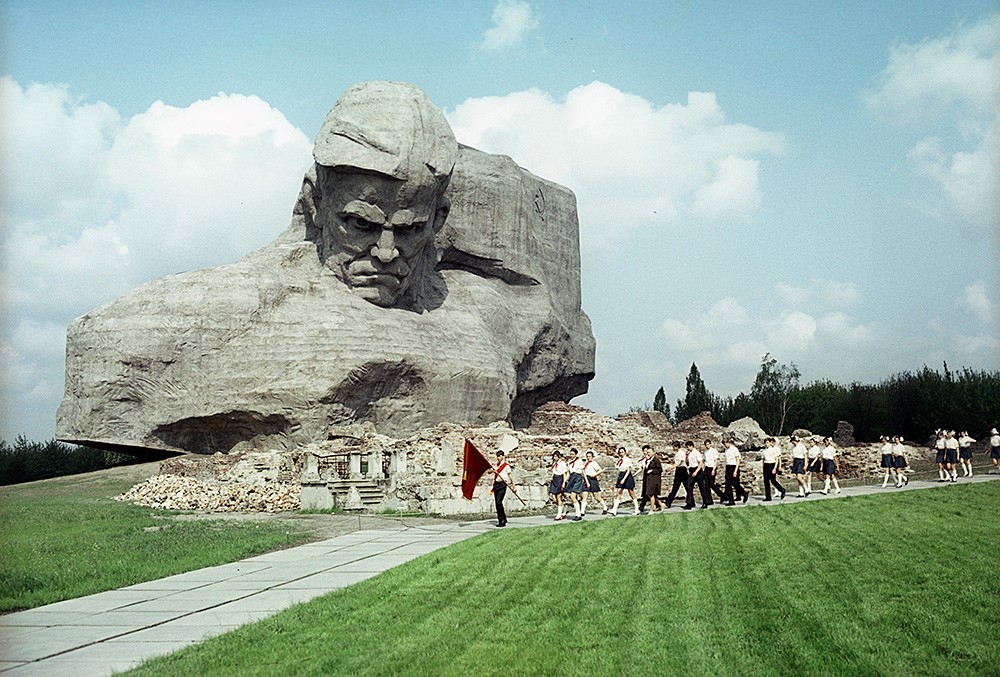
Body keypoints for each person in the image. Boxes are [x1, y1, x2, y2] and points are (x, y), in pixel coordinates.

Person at [610, 446, 640, 516]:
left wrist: (624, 479)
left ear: (625, 452)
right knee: (619, 492)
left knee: (631, 493)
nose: (621, 453)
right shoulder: (619, 460)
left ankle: (637, 509)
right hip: (621, 475)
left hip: (627, 476)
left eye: (622, 452)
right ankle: (614, 509)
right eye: (620, 452)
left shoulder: (627, 460)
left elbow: (628, 470)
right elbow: (618, 469)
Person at [582, 450, 610, 515]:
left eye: (590, 456)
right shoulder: (585, 463)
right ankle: (582, 511)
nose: (588, 458)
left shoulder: (594, 463)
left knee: (596, 495)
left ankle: (605, 507)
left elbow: (600, 470)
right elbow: (583, 472)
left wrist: (594, 475)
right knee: (584, 495)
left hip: (593, 479)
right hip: (587, 479)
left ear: (592, 457)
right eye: (587, 456)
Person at [722, 437, 748, 505]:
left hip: (734, 467)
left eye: (725, 444)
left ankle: (744, 493)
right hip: (728, 466)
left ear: (728, 442)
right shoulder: (726, 450)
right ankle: (731, 501)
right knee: (728, 485)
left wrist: (735, 470)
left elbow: (738, 460)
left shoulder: (734, 449)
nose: (725, 446)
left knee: (735, 484)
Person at [492, 450, 515, 527]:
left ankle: (502, 519)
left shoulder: (506, 466)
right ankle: (501, 519)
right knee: (496, 503)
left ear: (502, 456)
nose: (498, 458)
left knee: (499, 501)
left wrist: (513, 486)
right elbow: (489, 471)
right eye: (497, 456)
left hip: (503, 484)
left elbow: (510, 476)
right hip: (496, 484)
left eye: (499, 456)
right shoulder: (496, 465)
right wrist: (492, 470)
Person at [664, 441, 689, 509]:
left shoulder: (681, 453)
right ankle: (668, 502)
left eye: (674, 447)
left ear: (677, 447)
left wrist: (671, 468)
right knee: (675, 487)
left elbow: (680, 463)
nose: (673, 448)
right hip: (678, 470)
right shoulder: (677, 454)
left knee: (687, 487)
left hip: (682, 470)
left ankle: (691, 502)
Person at [761, 437, 786, 501]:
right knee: (766, 482)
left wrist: (775, 468)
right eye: (765, 443)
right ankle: (768, 496)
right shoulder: (764, 451)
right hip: (766, 465)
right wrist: (763, 467)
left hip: (772, 465)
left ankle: (782, 490)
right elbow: (763, 460)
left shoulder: (773, 450)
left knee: (773, 480)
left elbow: (776, 460)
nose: (766, 444)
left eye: (767, 442)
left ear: (770, 443)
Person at [565, 448, 587, 521]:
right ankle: (578, 510)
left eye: (573, 454)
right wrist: (564, 481)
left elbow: (583, 471)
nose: (571, 455)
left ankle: (578, 514)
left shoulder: (579, 461)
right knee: (571, 496)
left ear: (576, 454)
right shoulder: (569, 462)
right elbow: (568, 473)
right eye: (570, 454)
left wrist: (587, 481)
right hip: (571, 478)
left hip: (578, 477)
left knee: (573, 496)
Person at [684, 441, 706, 510]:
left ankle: (705, 502)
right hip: (691, 470)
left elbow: (701, 463)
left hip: (697, 470)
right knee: (689, 486)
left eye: (688, 447)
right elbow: (687, 463)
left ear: (691, 446)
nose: (687, 449)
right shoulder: (690, 454)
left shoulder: (697, 453)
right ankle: (689, 503)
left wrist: (696, 472)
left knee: (701, 487)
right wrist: (686, 456)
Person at [549, 451, 569, 520]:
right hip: (554, 479)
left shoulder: (562, 463)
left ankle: (559, 515)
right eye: (554, 456)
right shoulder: (554, 463)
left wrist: (564, 482)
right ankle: (564, 508)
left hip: (560, 479)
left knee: (559, 497)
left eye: (556, 456)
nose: (554, 458)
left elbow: (564, 473)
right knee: (554, 499)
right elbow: (553, 472)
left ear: (559, 456)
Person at [637, 446, 653, 513]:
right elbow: (641, 468)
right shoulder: (644, 459)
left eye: (646, 450)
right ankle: (659, 504)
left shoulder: (650, 459)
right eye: (644, 450)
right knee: (645, 491)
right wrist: (635, 474)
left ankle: (642, 506)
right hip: (645, 475)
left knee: (648, 492)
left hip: (650, 475)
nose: (645, 452)